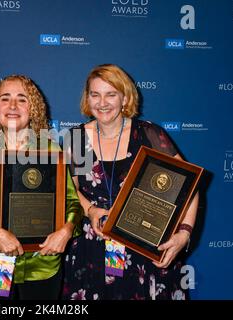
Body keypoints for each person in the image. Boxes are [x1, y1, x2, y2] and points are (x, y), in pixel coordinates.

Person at [62, 64, 199, 300]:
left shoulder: (149, 135)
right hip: (93, 246)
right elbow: (72, 189)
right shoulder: (78, 138)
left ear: (124, 97)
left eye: (111, 94)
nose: (102, 102)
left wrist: (184, 233)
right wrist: (91, 210)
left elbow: (189, 187)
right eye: (95, 94)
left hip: (143, 247)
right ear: (88, 98)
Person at [0, 75, 82, 300]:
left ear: (32, 108)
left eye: (22, 99)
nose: (13, 106)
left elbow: (72, 203)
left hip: (42, 264)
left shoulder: (51, 152)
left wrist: (66, 230)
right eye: (5, 99)